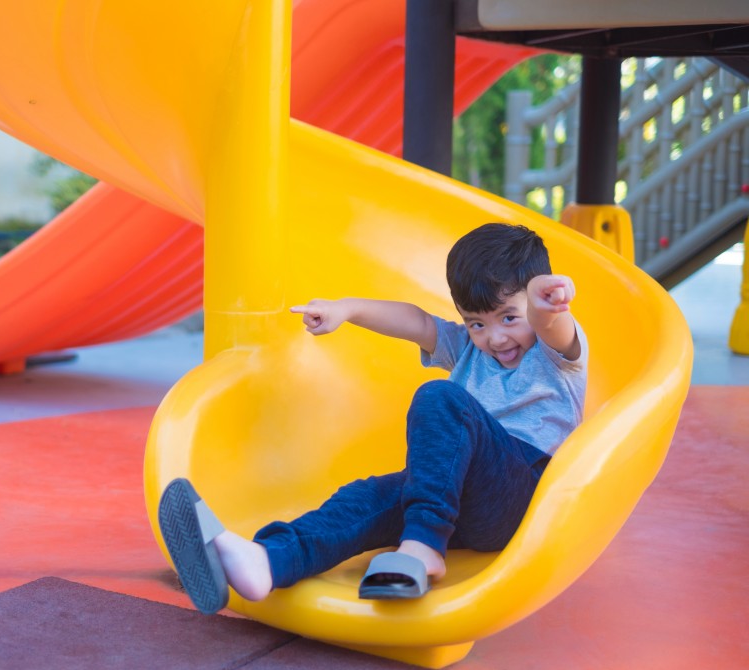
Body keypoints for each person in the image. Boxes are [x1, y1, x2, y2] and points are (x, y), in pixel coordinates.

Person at [158, 222, 588, 614]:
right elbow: (416, 321)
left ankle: (422, 546)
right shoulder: (469, 350)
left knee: (441, 397)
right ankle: (267, 560)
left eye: (509, 318)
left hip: (522, 494)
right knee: (366, 498)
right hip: (457, 500)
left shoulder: (554, 354)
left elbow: (554, 326)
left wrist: (545, 306)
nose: (494, 337)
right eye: (475, 323)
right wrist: (346, 309)